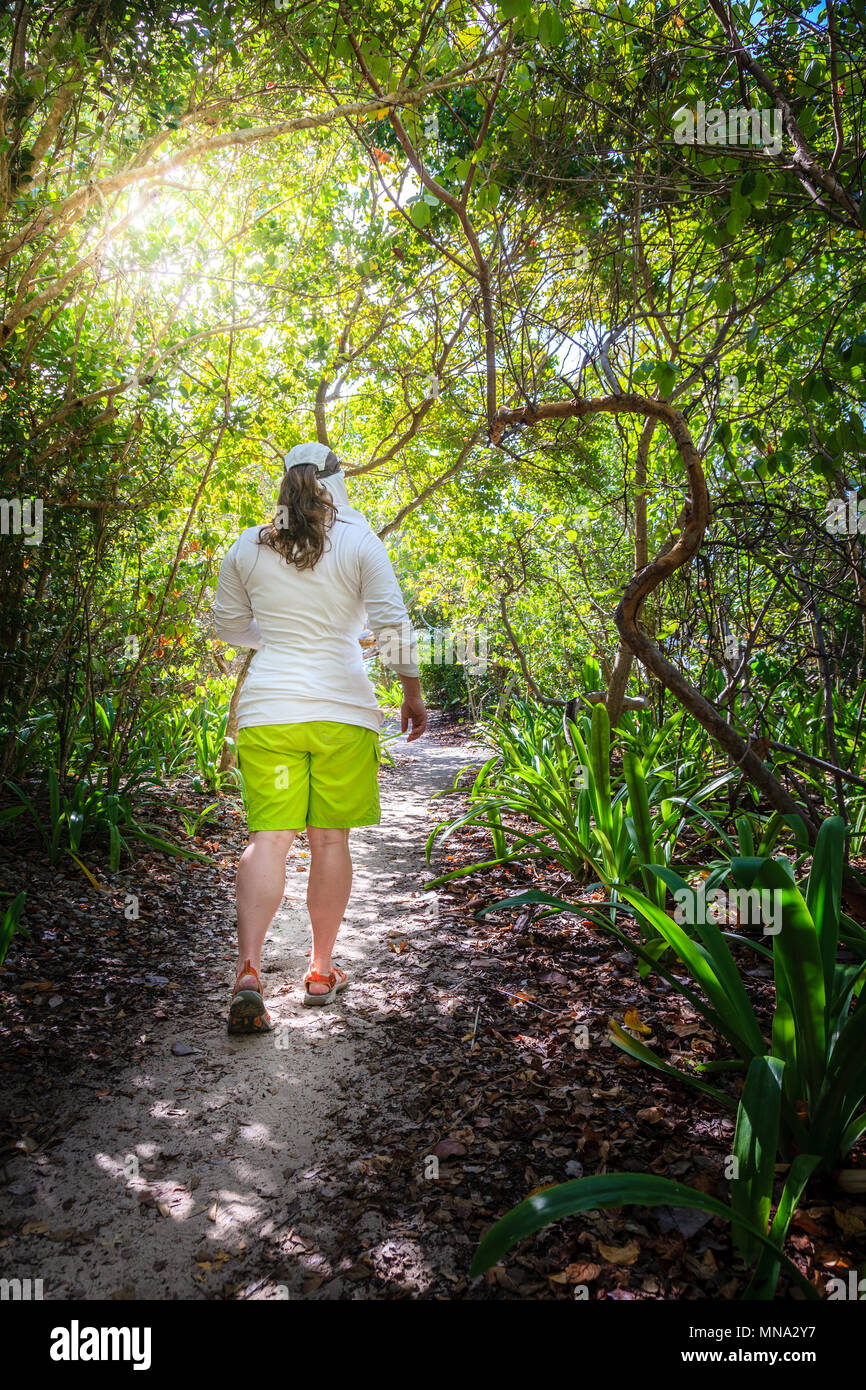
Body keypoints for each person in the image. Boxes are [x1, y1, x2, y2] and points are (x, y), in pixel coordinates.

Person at [212, 441, 426, 1031]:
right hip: (341, 713)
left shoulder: (248, 547)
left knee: (269, 838)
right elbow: (392, 624)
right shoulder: (360, 541)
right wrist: (412, 692)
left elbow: (228, 626)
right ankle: (319, 970)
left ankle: (250, 972)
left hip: (271, 713)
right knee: (330, 840)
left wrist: (279, 641)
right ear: (337, 482)